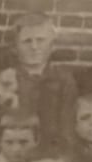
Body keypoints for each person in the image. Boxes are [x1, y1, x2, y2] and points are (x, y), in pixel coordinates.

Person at [11, 10, 79, 152]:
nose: (34, 47)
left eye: (40, 40)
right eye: (27, 41)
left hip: (52, 153)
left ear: (52, 45)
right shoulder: (7, 77)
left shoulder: (63, 80)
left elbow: (68, 126)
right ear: (16, 47)